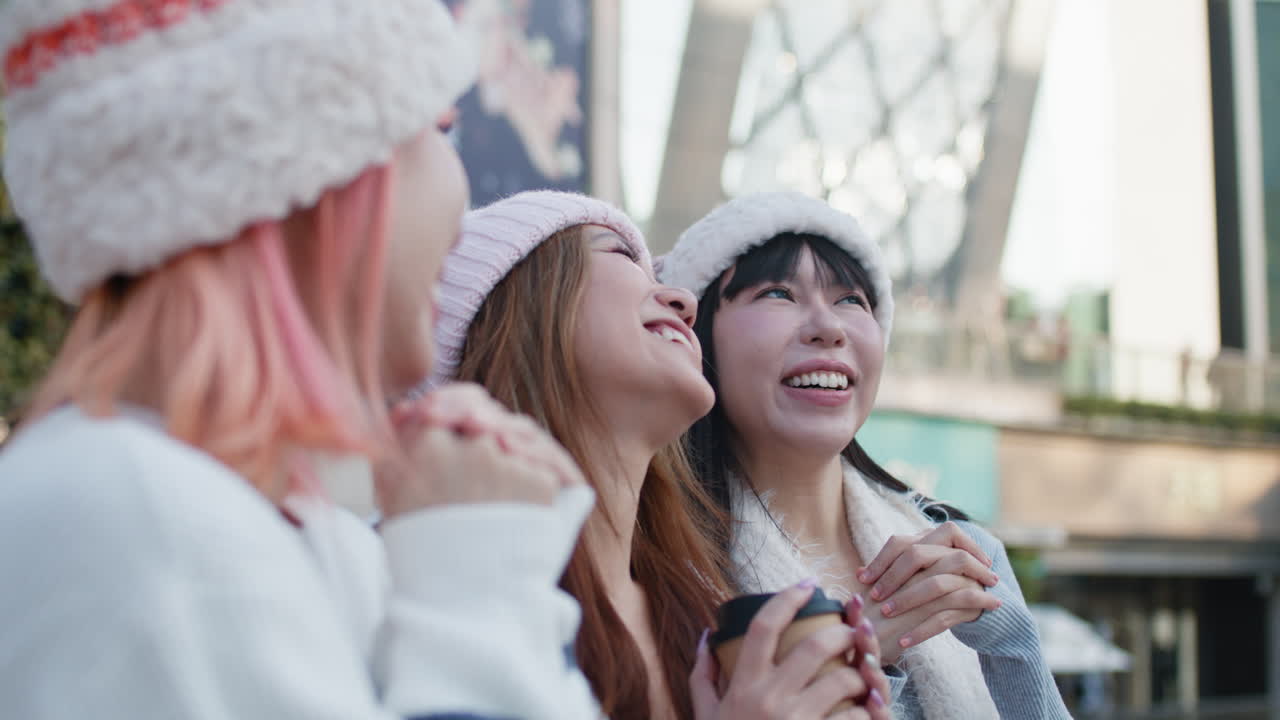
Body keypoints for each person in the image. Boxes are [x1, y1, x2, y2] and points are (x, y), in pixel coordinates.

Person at [0, 2, 596, 718]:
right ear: (310, 177)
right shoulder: (133, 518)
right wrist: (477, 578)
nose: (459, 186)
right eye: (438, 125)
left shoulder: (269, 526)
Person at [425, 190, 892, 720]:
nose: (682, 302)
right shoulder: (428, 591)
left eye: (851, 300)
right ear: (521, 305)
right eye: (623, 257)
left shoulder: (707, 617)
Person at [659, 192, 1072, 719]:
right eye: (778, 293)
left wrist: (1009, 640)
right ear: (700, 336)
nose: (827, 327)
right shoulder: (664, 570)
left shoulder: (967, 552)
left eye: (851, 299)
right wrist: (852, 664)